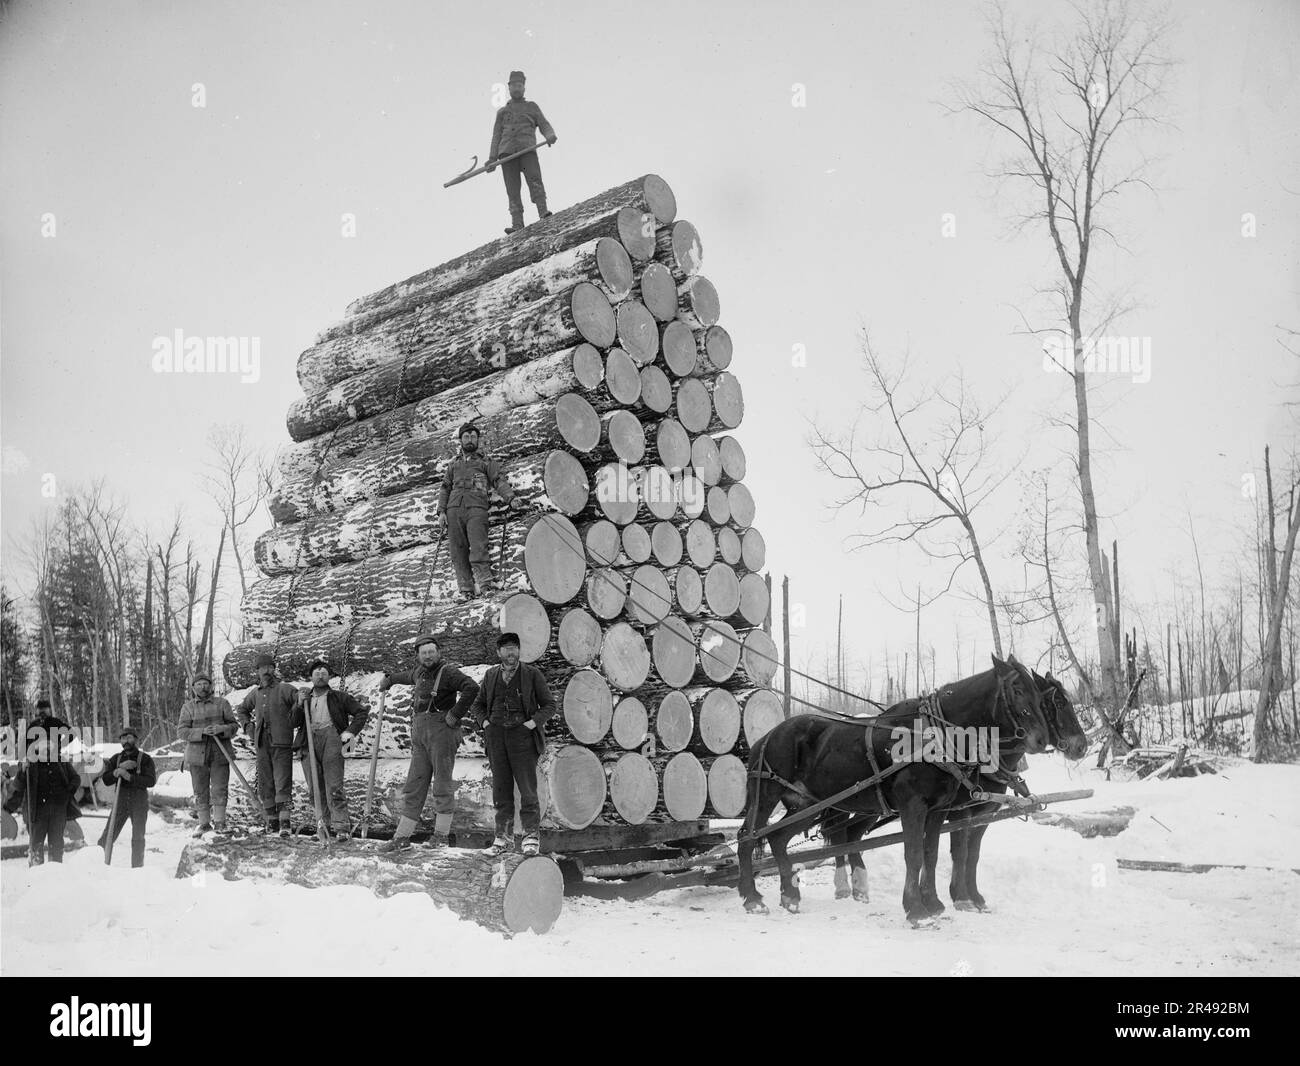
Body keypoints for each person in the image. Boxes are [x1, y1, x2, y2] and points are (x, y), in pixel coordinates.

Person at [376, 635, 478, 852]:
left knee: (442, 784)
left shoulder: (448, 672)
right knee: (415, 784)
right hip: (420, 733)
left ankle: (440, 836)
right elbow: (405, 676)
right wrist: (390, 679)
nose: (428, 656)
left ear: (438, 652)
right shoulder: (419, 672)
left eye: (431, 651)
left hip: (442, 731)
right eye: (424, 653)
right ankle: (402, 837)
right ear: (418, 655)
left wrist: (455, 714)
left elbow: (471, 688)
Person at [470, 632, 556, 856]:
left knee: (528, 790)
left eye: (514, 648)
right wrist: (485, 723)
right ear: (499, 653)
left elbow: (549, 705)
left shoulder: (531, 674)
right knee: (501, 791)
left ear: (519, 650)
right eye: (506, 649)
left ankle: (530, 837)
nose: (511, 652)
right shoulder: (490, 676)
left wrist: (531, 724)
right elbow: (477, 705)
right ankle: (503, 838)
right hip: (496, 739)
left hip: (522, 739)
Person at [437, 422, 525, 602]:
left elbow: (498, 480)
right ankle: (466, 590)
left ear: (478, 440)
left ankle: (486, 586)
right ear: (461, 440)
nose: (470, 440)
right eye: (466, 437)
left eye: (473, 437)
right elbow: (445, 487)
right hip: (454, 510)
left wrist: (510, 497)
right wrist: (441, 511)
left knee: (478, 547)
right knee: (457, 551)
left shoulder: (486, 461)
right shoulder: (454, 464)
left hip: (477, 509)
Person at [235, 654, 305, 836]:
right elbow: (242, 710)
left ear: (274, 669)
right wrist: (249, 727)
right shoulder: (255, 693)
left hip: (281, 742)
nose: (266, 671)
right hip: (261, 744)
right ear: (257, 671)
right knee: (266, 783)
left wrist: (301, 697)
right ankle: (272, 822)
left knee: (282, 781)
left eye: (269, 667)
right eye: (262, 668)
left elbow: (298, 698)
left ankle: (285, 823)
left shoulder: (284, 689)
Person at [301, 659, 369, 838]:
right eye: (317, 673)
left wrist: (350, 733)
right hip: (308, 741)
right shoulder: (304, 698)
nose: (320, 676)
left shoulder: (339, 697)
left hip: (333, 738)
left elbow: (361, 712)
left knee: (334, 785)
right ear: (311, 677)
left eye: (324, 673)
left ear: (329, 676)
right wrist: (298, 704)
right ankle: (322, 826)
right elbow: (292, 721)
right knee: (315, 787)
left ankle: (341, 828)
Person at [486, 70, 557, 234]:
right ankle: (517, 223)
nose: (517, 88)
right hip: (506, 154)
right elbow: (496, 136)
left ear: (524, 88)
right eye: (514, 86)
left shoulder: (532, 107)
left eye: (520, 85)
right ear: (509, 88)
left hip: (527, 150)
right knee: (512, 188)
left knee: (534, 179)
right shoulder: (502, 112)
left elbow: (544, 124)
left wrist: (550, 135)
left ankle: (543, 212)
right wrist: (491, 159)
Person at [176, 672, 240, 835]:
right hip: (197, 756)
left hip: (220, 753)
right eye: (199, 684)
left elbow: (234, 726)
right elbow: (182, 732)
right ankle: (204, 823)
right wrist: (201, 732)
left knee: (219, 788)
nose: (203, 687)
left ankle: (219, 822)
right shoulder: (188, 707)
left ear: (210, 686)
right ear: (193, 688)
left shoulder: (222, 703)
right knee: (200, 789)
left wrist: (221, 729)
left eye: (206, 684)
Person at [2, 736, 82, 864]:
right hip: (37, 812)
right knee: (36, 846)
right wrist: (22, 772)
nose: (46, 749)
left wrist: (68, 791)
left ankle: (55, 873)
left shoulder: (61, 761)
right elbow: (18, 787)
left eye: (49, 745)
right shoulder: (29, 763)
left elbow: (76, 778)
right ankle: (36, 875)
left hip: (58, 811)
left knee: (56, 845)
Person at [97, 726, 157, 867]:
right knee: (108, 835)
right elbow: (106, 779)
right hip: (121, 800)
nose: (126, 741)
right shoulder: (115, 759)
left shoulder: (145, 759)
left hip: (139, 801)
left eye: (129, 737)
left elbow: (151, 781)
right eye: (123, 738)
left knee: (138, 838)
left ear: (136, 740)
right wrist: (116, 772)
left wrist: (129, 777)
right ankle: (100, 866)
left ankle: (137, 870)